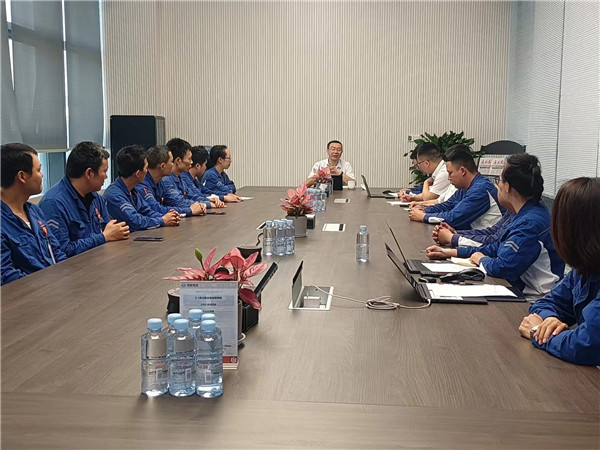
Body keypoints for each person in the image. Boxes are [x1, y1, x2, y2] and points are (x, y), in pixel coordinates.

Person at [426, 154, 564, 296]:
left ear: (508, 187)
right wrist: (453, 252)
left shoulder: (529, 223)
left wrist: (481, 259)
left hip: (535, 297)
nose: (497, 186)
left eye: (499, 181)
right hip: (519, 288)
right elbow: (496, 246)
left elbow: (503, 267)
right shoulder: (521, 211)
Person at [519, 177, 600, 366]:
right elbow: (548, 302)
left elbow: (587, 344)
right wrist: (550, 321)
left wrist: (538, 332)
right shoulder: (584, 267)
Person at [39, 142, 130, 257]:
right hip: (75, 267)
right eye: (104, 171)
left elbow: (110, 233)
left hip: (99, 260)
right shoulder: (54, 203)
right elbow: (62, 251)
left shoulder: (96, 199)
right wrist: (102, 237)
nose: (106, 176)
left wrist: (109, 235)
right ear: (89, 173)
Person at [1, 143, 67, 285]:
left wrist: (67, 277)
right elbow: (6, 276)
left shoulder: (34, 211)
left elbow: (56, 252)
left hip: (56, 287)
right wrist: (49, 283)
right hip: (29, 294)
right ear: (22, 176)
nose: (42, 175)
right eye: (38, 170)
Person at [409, 144, 504, 229]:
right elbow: (448, 205)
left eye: (450, 173)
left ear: (462, 171)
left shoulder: (480, 189)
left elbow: (454, 218)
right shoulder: (466, 186)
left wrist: (424, 216)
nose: (448, 178)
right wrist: (423, 209)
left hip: (489, 238)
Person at [104, 145, 180, 231]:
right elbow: (135, 221)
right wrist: (162, 220)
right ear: (138, 173)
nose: (147, 172)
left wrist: (168, 217)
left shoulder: (133, 190)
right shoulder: (114, 195)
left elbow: (147, 211)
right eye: (146, 168)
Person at [138, 145, 205, 217]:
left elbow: (175, 201)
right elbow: (156, 209)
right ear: (162, 166)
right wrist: (190, 210)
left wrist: (196, 205)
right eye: (171, 162)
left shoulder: (160, 182)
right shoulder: (142, 185)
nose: (173, 165)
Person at [432, 210, 515, 247]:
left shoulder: (480, 189)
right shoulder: (512, 210)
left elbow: (494, 242)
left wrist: (452, 238)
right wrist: (455, 233)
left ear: (507, 187)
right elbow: (492, 232)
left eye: (499, 182)